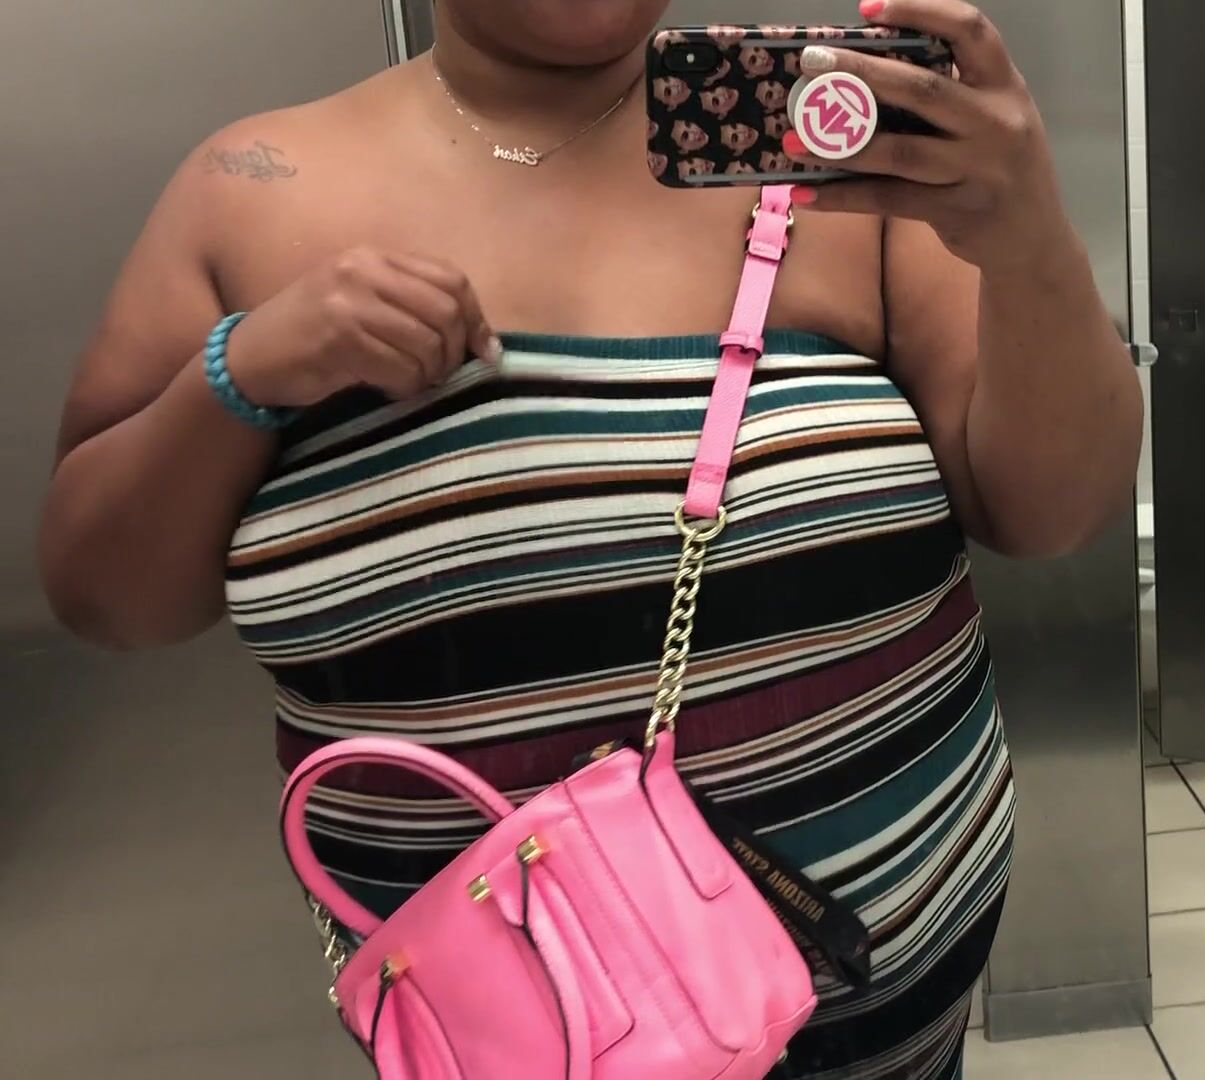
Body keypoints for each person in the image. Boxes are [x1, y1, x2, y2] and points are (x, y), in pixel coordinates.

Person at [37, 0, 1139, 1074]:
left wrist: (1028, 236)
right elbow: (108, 598)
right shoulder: (251, 193)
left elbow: (1053, 512)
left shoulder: (826, 158)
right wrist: (243, 374)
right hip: (514, 1031)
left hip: (886, 993)